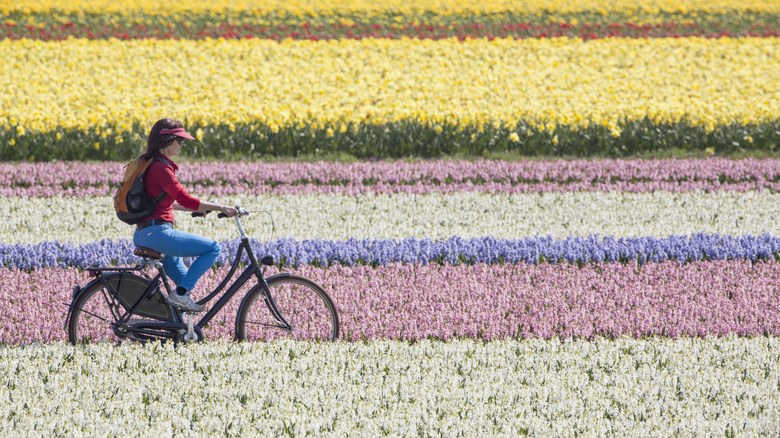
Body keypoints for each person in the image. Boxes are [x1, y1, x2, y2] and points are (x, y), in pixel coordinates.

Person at [133, 118, 238, 312]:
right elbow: (186, 199)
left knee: (184, 285)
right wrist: (221, 207)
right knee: (213, 249)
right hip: (159, 234)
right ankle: (179, 296)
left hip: (146, 233)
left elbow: (167, 203)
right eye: (179, 140)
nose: (182, 145)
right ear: (168, 140)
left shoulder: (151, 164)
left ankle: (178, 330)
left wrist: (201, 208)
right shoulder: (161, 168)